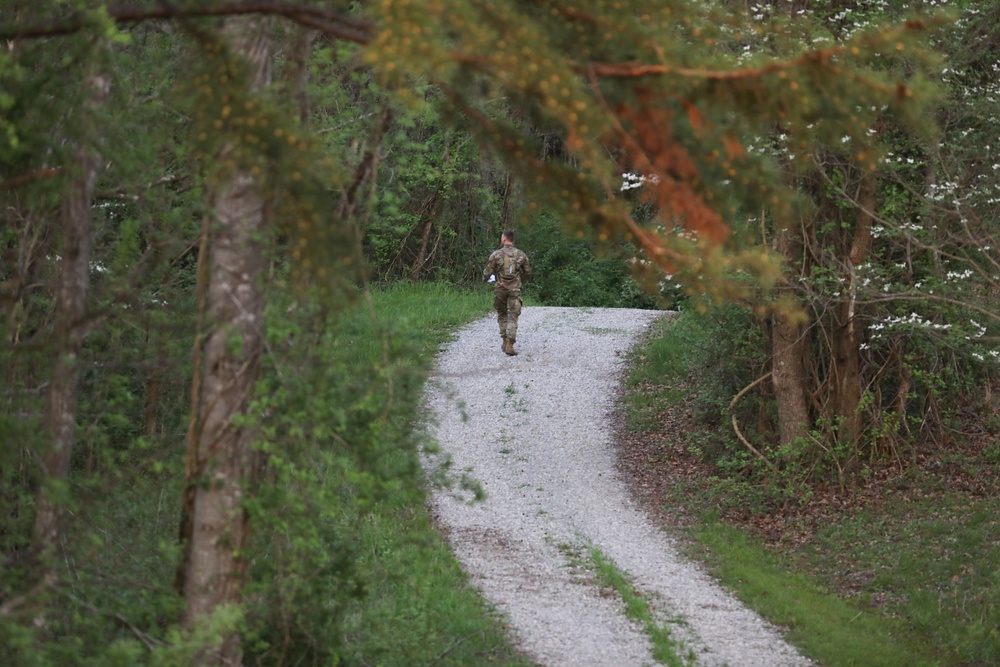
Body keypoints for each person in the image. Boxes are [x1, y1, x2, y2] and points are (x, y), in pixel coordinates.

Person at [483, 229, 532, 356]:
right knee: (513, 316)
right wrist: (520, 281)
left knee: (502, 314)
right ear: (512, 239)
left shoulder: (496, 254)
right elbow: (528, 272)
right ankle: (510, 343)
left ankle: (504, 340)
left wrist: (486, 279)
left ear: (504, 239)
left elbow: (487, 272)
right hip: (515, 289)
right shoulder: (521, 255)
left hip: (500, 289)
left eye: (501, 237)